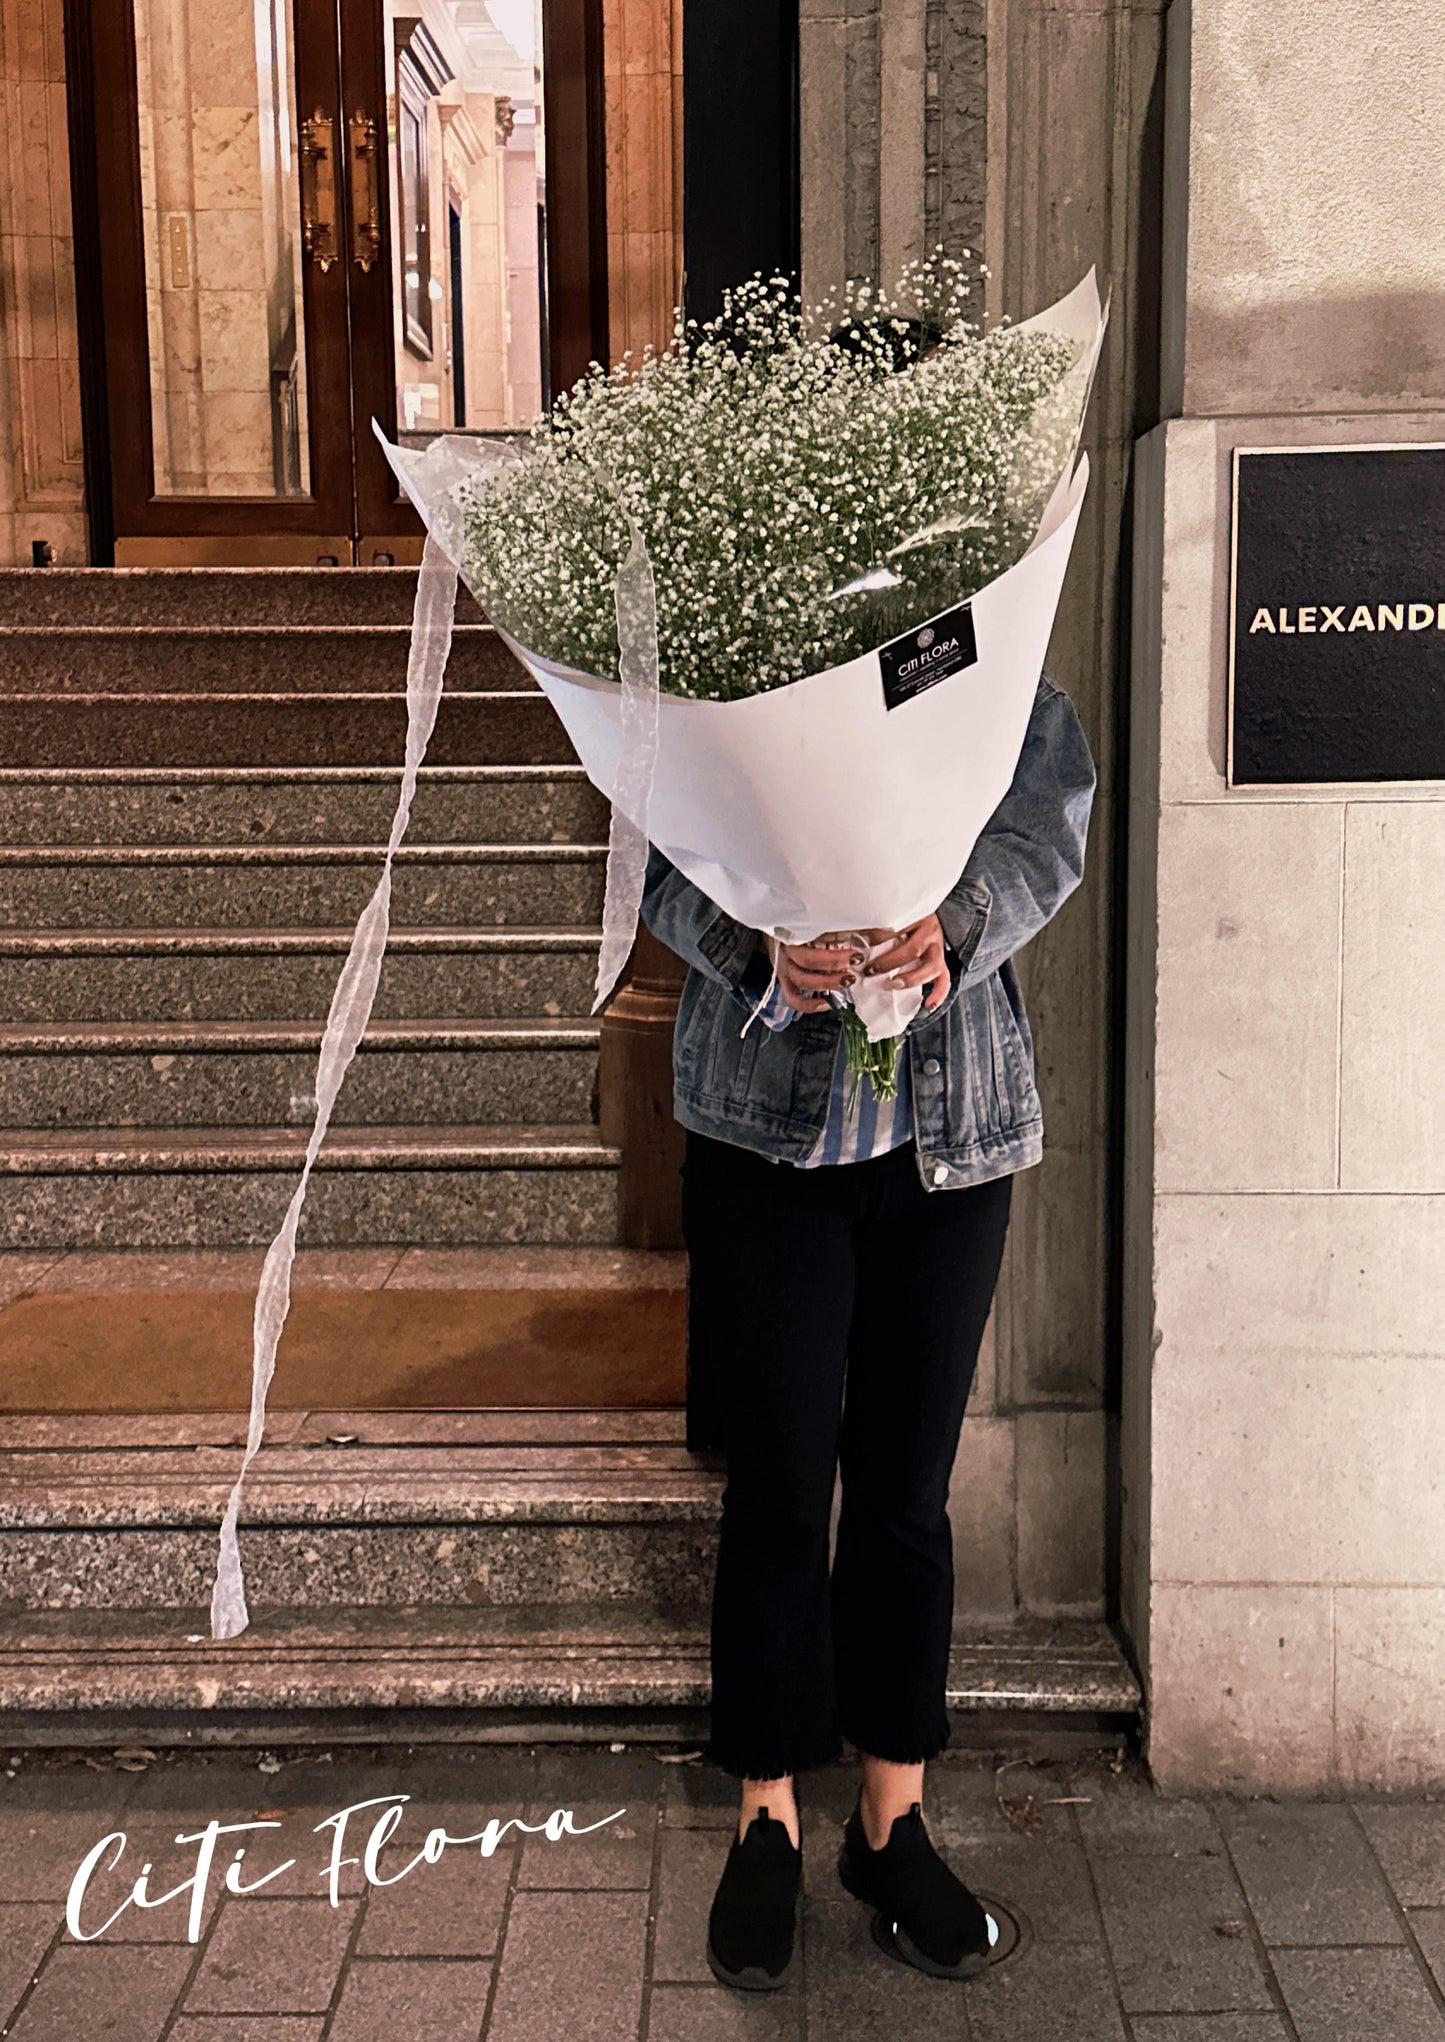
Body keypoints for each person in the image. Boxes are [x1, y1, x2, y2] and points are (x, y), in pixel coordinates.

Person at [640, 669, 1095, 1991]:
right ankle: (767, 1814)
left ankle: (890, 1817)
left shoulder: (973, 622)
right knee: (779, 1490)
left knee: (903, 1494)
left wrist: (960, 924)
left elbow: (1047, 803)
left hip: (947, 1147)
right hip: (763, 1141)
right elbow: (649, 840)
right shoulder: (732, 636)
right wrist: (754, 942)